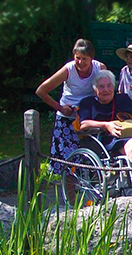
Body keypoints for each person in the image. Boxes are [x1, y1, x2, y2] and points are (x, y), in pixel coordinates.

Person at [77, 70, 132, 196]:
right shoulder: (88, 103)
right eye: (101, 87)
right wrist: (106, 125)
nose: (106, 90)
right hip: (110, 140)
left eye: (109, 86)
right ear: (95, 89)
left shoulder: (122, 99)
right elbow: (84, 124)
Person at [35, 39, 106, 178]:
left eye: (84, 59)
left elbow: (106, 90)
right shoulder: (68, 70)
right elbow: (41, 90)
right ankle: (70, 199)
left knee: (93, 163)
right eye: (77, 58)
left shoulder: (100, 68)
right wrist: (60, 108)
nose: (80, 62)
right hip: (68, 120)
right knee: (69, 166)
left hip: (89, 119)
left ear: (91, 57)